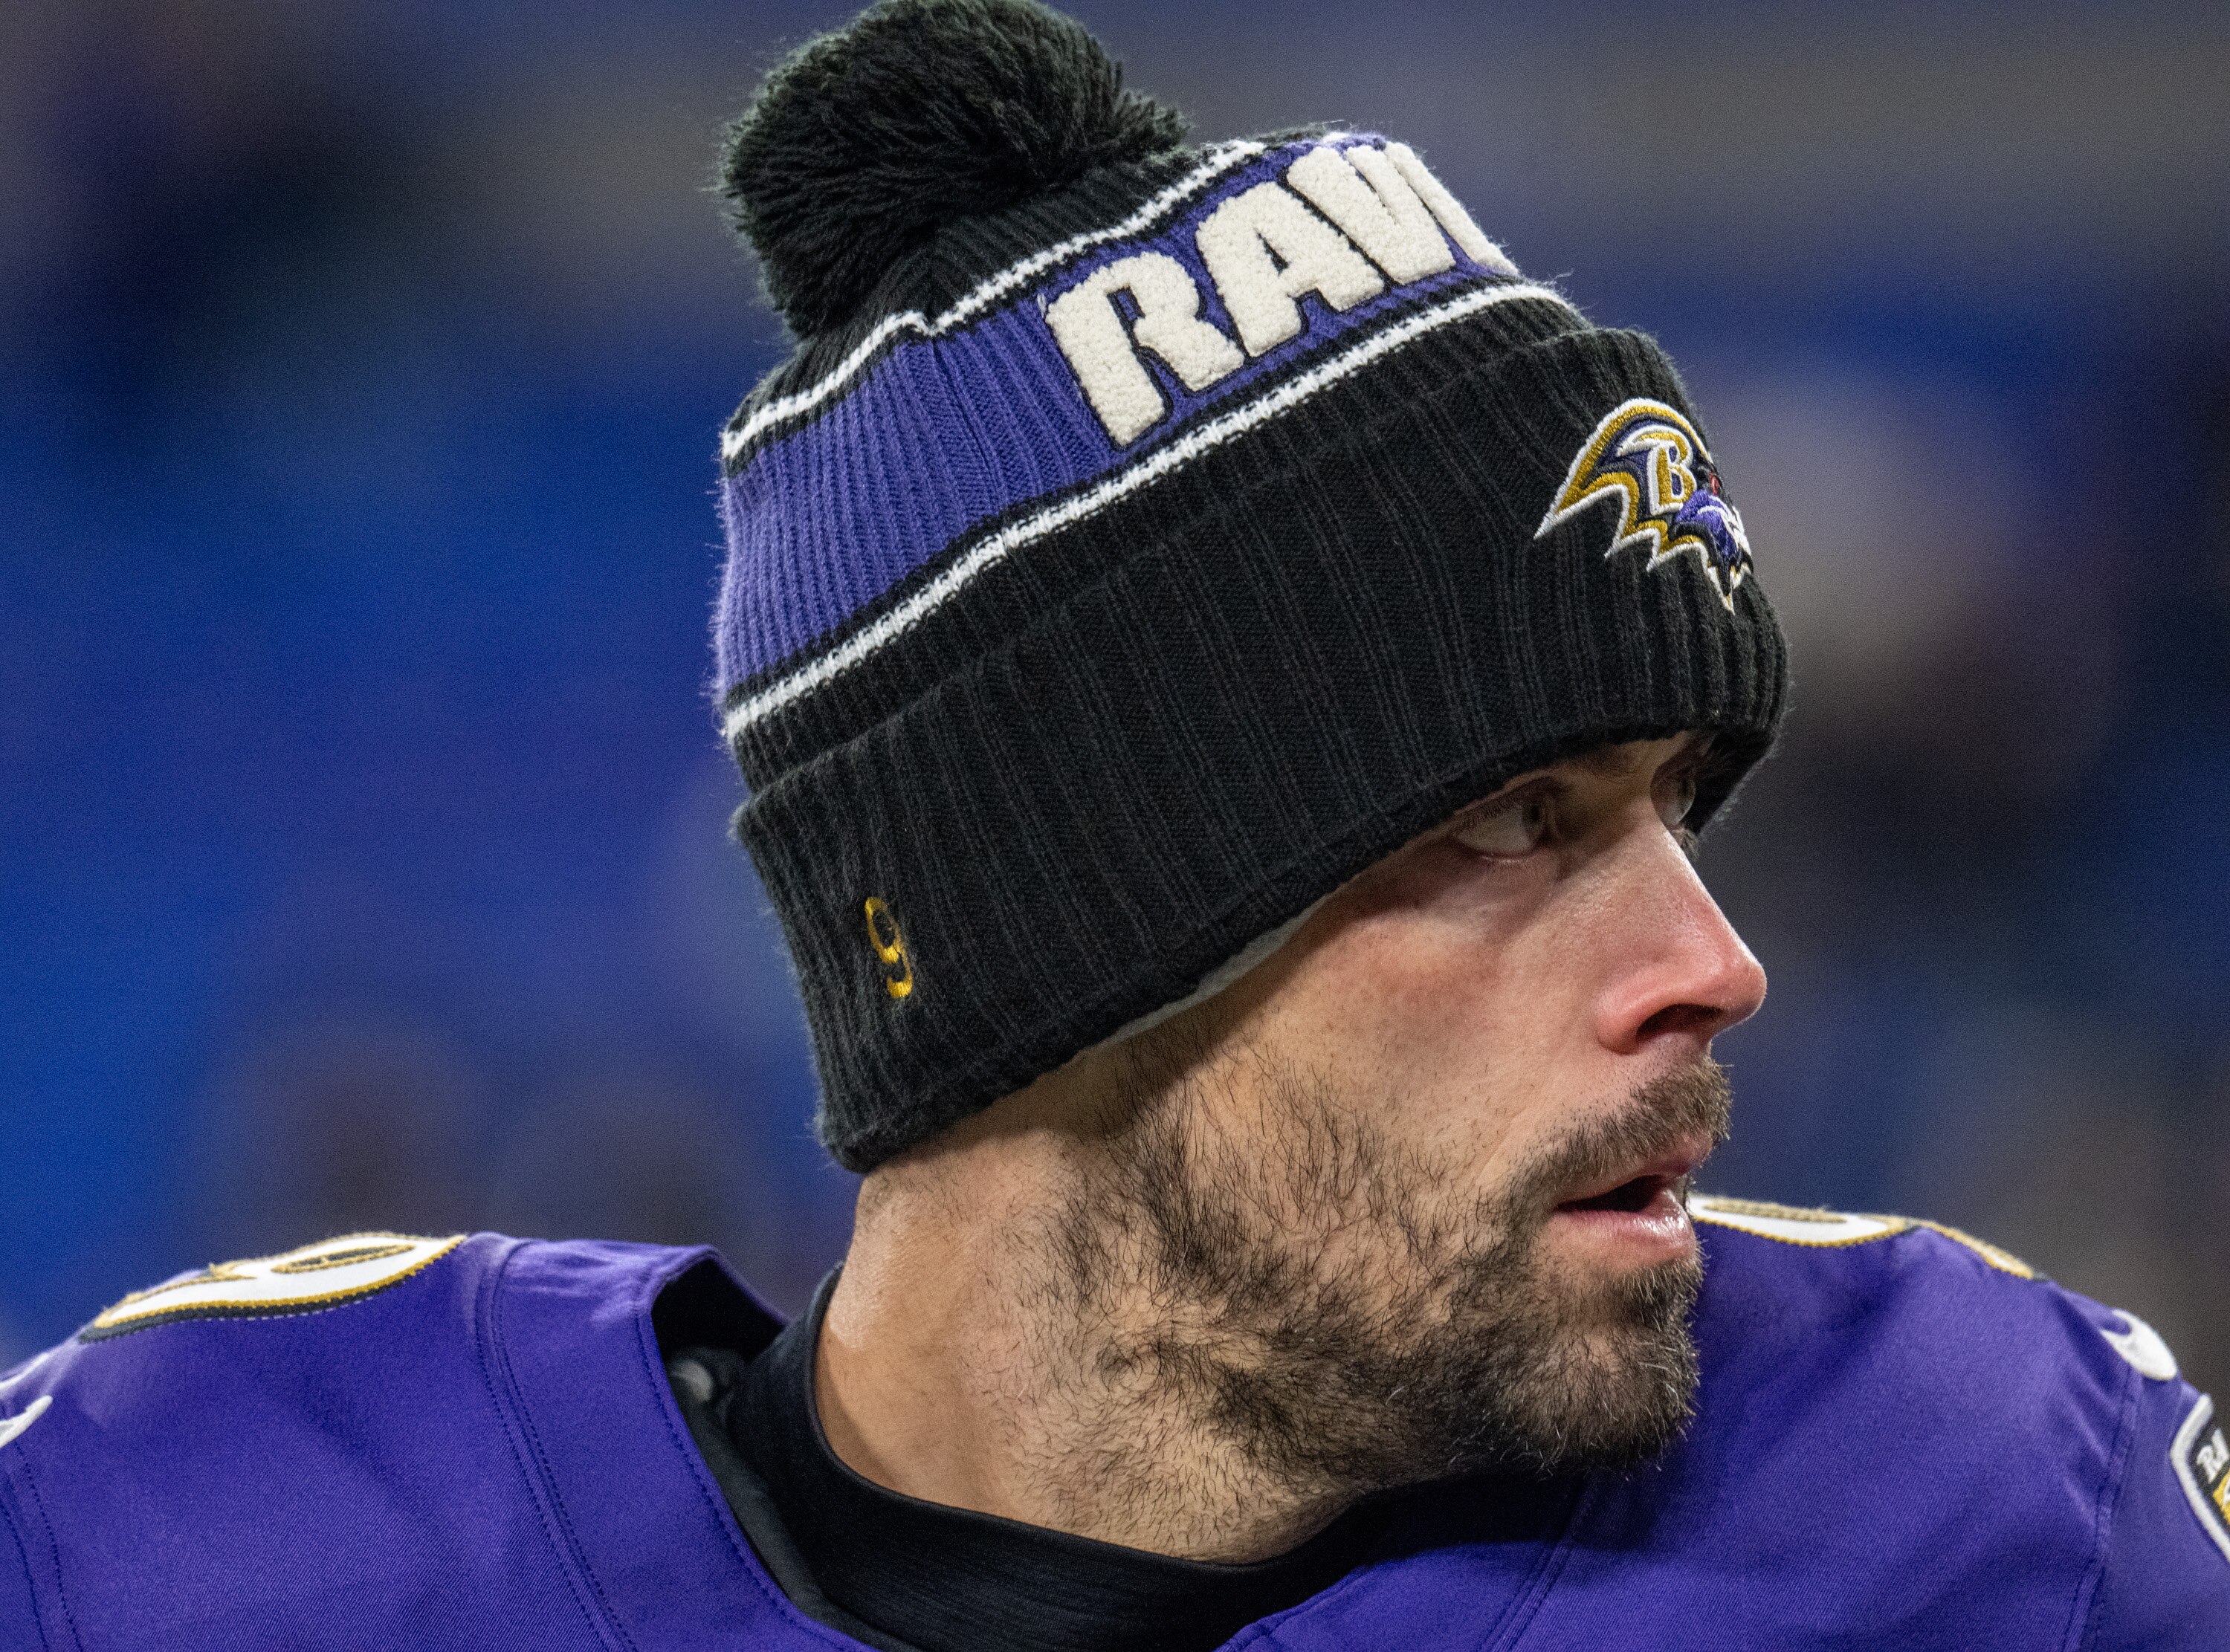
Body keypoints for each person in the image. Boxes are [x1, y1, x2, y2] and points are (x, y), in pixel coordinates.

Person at [3, 1, 2224, 1645]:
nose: (1713, 965)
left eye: (1675, 808)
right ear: (1057, 935)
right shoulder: (194, 1551)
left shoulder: (1988, 1513)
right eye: (1513, 825)